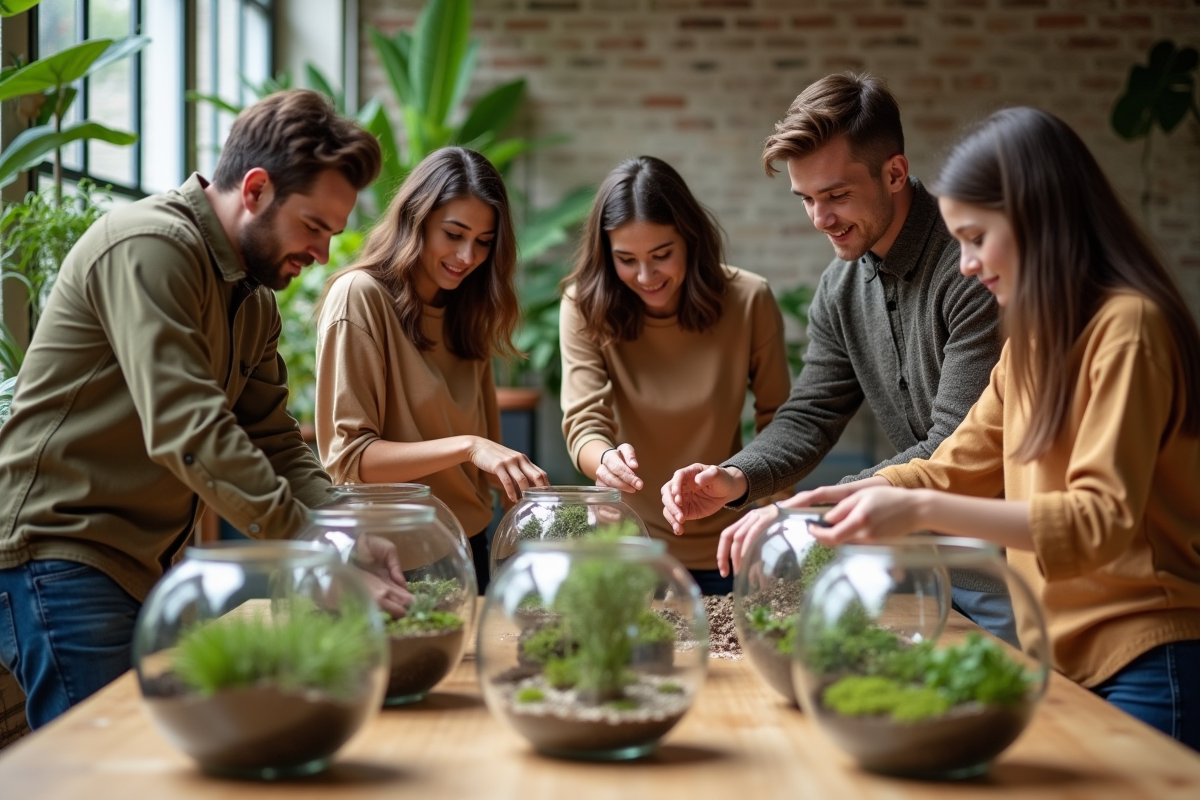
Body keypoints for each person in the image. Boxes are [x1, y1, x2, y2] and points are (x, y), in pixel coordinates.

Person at [796, 107, 1200, 749]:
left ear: (1041, 219)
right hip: (1062, 659)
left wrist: (916, 507)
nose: (964, 264)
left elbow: (1099, 518)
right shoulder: (1033, 345)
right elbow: (954, 464)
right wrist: (822, 504)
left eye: (977, 237)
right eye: (957, 241)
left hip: (1148, 660)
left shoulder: (1128, 330)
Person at [0, 89, 382, 728]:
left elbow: (274, 440)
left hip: (135, 566)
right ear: (256, 189)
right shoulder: (149, 245)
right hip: (56, 552)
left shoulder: (252, 298)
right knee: (108, 771)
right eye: (314, 227)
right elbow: (188, 426)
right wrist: (316, 545)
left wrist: (347, 528)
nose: (322, 253)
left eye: (333, 235)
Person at [660, 73, 1018, 643]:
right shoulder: (840, 287)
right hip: (919, 573)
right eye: (806, 198)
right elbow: (810, 415)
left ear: (894, 173)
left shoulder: (972, 268)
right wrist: (734, 476)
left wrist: (805, 513)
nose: (819, 218)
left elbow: (953, 448)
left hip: (1007, 574)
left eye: (836, 195)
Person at [315, 147, 548, 595]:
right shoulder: (360, 297)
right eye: (453, 234)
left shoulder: (467, 310)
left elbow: (485, 461)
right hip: (392, 563)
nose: (467, 256)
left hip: (468, 550)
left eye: (483, 242)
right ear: (415, 220)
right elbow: (350, 461)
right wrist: (468, 447)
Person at [559, 156, 791, 595]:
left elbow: (780, 423)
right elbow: (584, 420)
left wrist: (771, 529)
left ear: (689, 238)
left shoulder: (748, 300)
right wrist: (605, 462)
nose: (646, 276)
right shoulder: (583, 306)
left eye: (661, 255)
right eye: (626, 259)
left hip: (730, 545)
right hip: (628, 547)